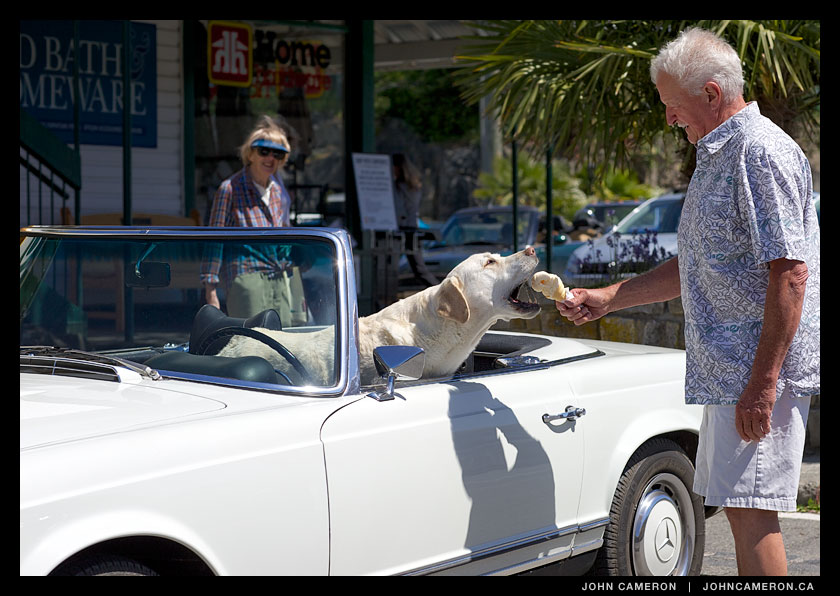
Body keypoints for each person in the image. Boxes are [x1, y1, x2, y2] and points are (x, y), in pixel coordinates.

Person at [557, 27, 819, 576]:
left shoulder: (758, 151)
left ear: (710, 94)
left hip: (754, 380)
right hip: (734, 376)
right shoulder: (717, 153)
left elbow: (791, 274)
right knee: (744, 516)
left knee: (752, 516)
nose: (670, 119)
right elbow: (699, 265)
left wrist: (763, 384)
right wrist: (611, 297)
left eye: (673, 106)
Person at [200, 115, 306, 324]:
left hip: (279, 277)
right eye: (263, 151)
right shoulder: (229, 189)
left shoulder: (278, 191)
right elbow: (214, 240)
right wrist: (210, 290)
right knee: (250, 343)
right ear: (250, 154)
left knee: (285, 343)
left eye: (278, 153)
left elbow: (283, 236)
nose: (270, 158)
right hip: (247, 279)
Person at [392, 153, 438, 287]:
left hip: (403, 230)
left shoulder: (401, 187)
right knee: (419, 270)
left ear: (398, 167)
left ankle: (440, 293)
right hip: (411, 229)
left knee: (394, 269)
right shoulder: (413, 185)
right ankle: (439, 292)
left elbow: (400, 208)